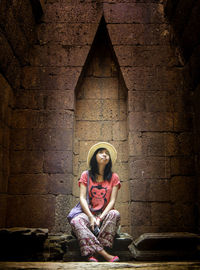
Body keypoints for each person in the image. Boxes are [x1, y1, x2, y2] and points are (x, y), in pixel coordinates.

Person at [70, 142, 121, 262]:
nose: (105, 155)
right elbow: (82, 198)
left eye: (107, 154)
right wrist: (91, 217)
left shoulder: (114, 177)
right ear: (95, 157)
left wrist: (100, 218)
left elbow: (112, 201)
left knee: (115, 214)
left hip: (105, 217)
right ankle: (104, 254)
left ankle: (94, 254)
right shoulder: (86, 175)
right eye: (101, 152)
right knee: (75, 220)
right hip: (88, 215)